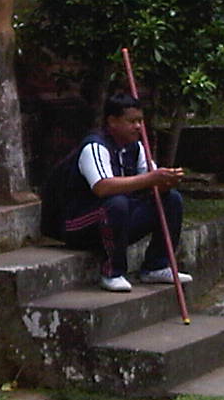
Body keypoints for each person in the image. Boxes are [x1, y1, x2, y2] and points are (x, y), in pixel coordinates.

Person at [77, 93, 190, 293]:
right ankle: (112, 271)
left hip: (117, 220)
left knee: (171, 199)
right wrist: (150, 179)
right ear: (112, 121)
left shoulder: (136, 148)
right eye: (132, 121)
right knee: (117, 203)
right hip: (81, 223)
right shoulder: (95, 146)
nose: (138, 127)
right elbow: (102, 187)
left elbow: (151, 183)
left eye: (140, 121)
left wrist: (166, 181)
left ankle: (157, 265)